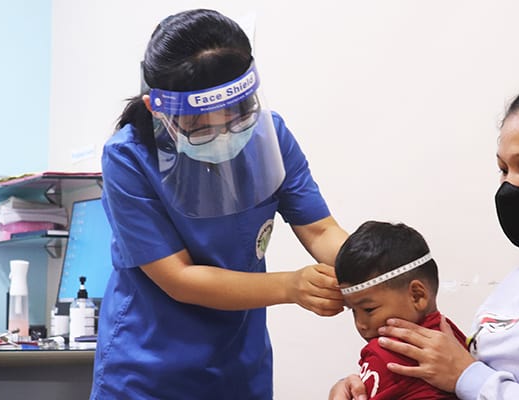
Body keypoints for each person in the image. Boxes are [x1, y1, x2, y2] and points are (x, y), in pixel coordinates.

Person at [92, 9, 349, 399]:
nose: (225, 135)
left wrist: (371, 268)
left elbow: (320, 230)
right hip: (150, 370)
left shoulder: (271, 137)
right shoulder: (128, 158)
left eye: (238, 116)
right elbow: (179, 278)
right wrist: (292, 286)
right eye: (201, 126)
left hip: (240, 365)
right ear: (156, 108)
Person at [329, 73, 519, 400]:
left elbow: (467, 377)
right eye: (504, 169)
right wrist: (371, 384)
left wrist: (466, 375)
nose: (509, 187)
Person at [335, 221, 468, 399]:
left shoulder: (386, 356)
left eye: (369, 309)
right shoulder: (457, 341)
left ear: (417, 296)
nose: (361, 325)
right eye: (353, 311)